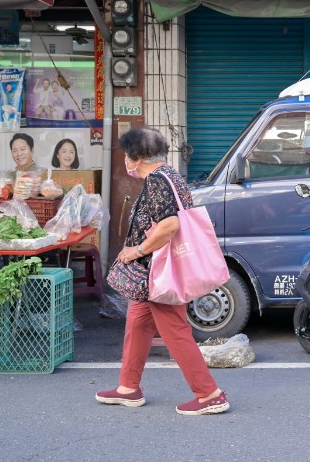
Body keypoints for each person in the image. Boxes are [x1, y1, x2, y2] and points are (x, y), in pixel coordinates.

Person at [95, 127, 229, 416]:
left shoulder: (157, 180)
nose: (126, 163)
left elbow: (169, 226)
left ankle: (209, 394)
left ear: (135, 157)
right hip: (150, 274)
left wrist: (136, 250)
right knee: (137, 323)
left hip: (159, 271)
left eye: (126, 156)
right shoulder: (170, 174)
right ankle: (128, 388)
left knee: (176, 330)